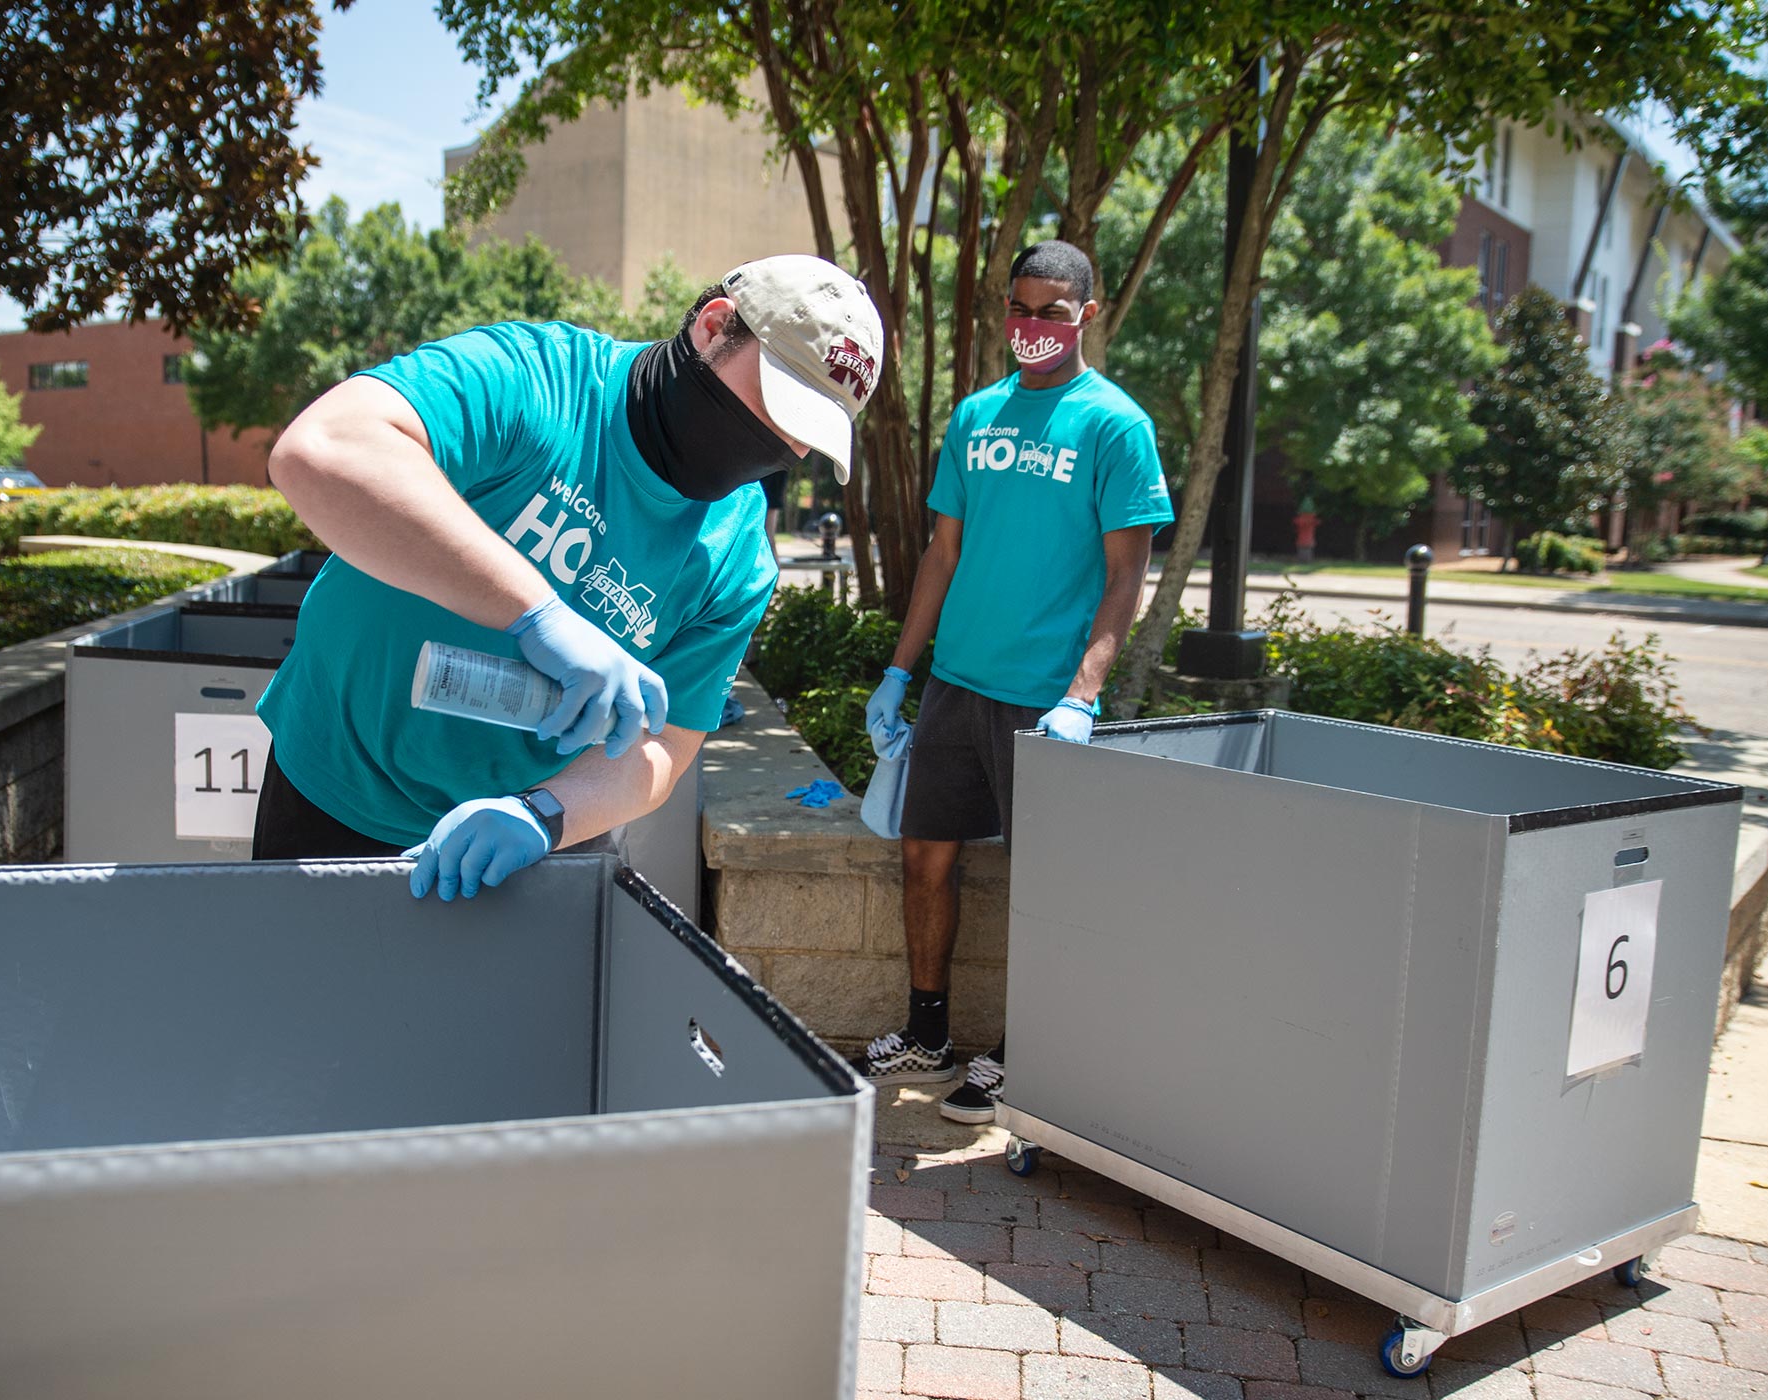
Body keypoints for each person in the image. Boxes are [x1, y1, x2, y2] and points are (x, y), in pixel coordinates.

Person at [252, 255, 884, 900]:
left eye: (808, 431)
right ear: (716, 327)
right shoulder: (536, 378)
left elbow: (666, 743)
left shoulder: (737, 556)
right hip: (330, 792)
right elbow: (322, 451)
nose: (783, 444)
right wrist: (537, 614)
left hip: (522, 845)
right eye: (778, 401)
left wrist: (541, 815)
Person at [854, 240, 1173, 1122]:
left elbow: (1124, 582)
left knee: (1047, 888)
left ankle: (1026, 1054)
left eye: (1053, 313)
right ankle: (927, 1033)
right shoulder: (975, 417)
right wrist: (897, 672)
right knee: (924, 858)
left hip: (1044, 701)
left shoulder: (1115, 426)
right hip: (957, 683)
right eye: (1021, 309)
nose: (1032, 327)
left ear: (1087, 317)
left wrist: (1081, 698)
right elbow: (942, 554)